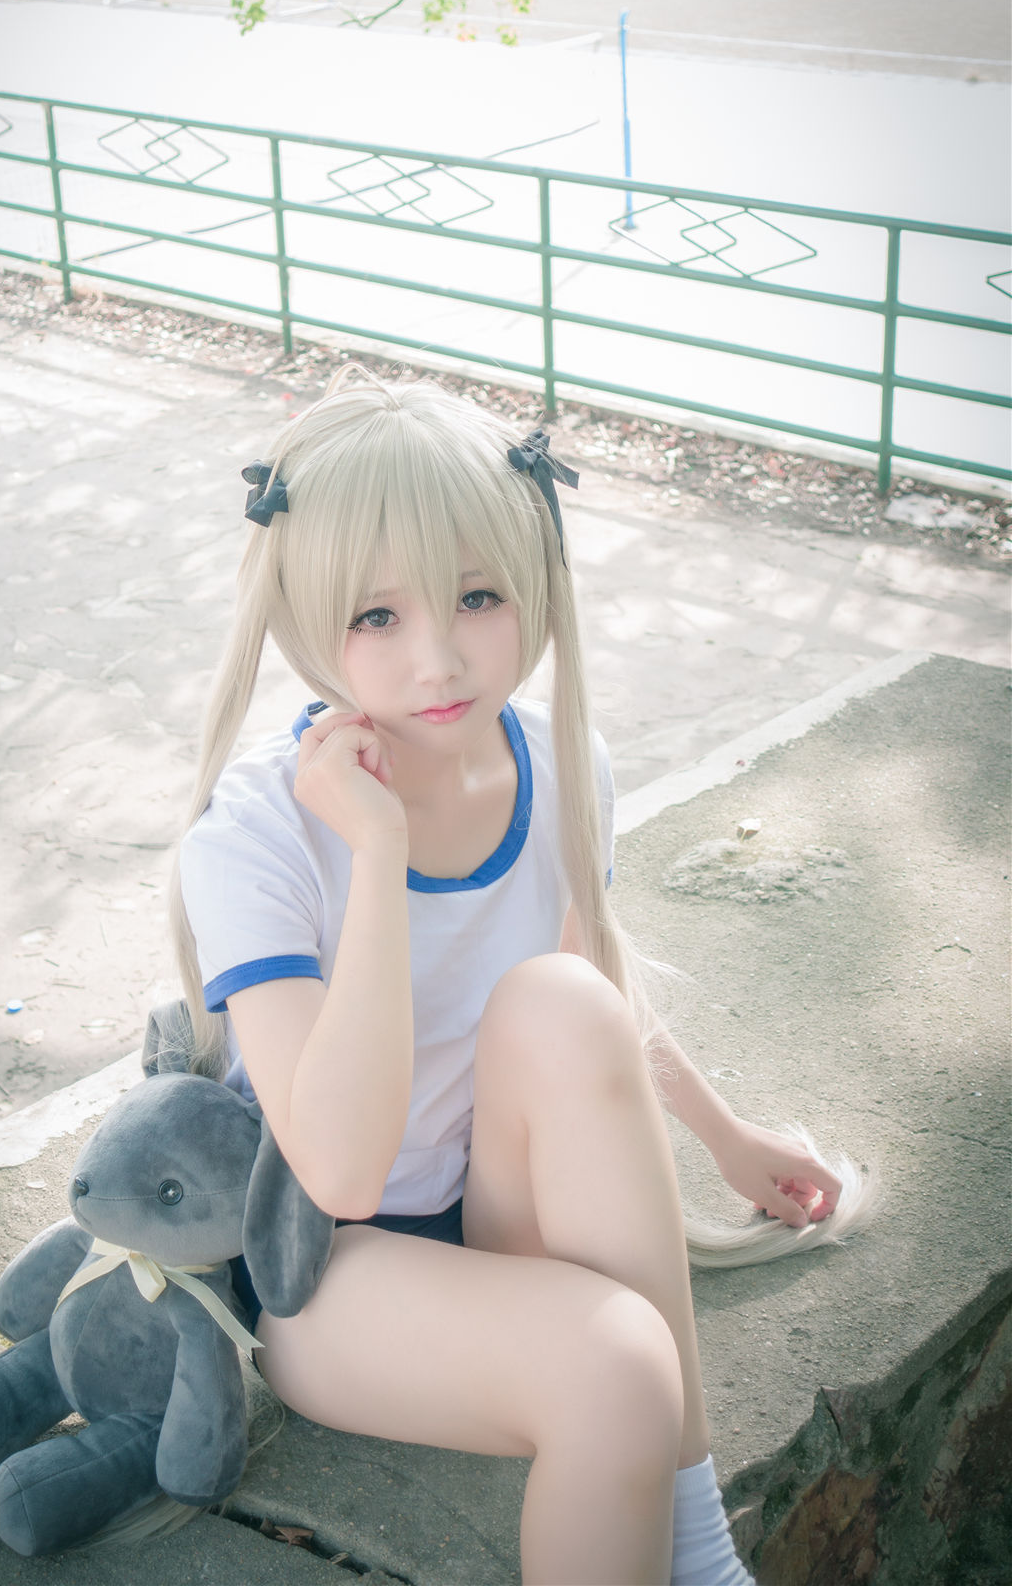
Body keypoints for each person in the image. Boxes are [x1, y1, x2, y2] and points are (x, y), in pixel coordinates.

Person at [172, 368, 873, 1586]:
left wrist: (721, 1136)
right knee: (617, 1367)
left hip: (499, 1202)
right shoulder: (259, 832)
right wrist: (377, 851)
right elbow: (338, 1168)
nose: (440, 657)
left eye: (479, 596)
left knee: (559, 996)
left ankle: (701, 1555)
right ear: (304, 616)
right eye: (376, 616)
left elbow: (588, 994)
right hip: (328, 1268)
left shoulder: (557, 759)